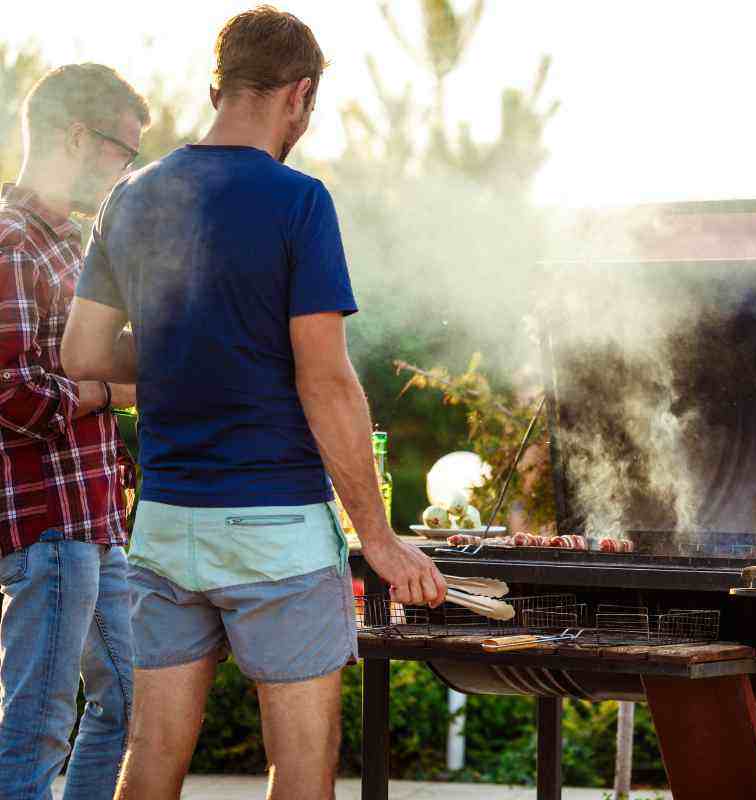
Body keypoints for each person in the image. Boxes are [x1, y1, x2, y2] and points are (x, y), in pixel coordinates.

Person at [61, 7, 447, 799]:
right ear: (299, 96)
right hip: (276, 529)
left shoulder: (131, 198)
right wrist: (377, 538)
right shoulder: (297, 201)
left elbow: (85, 355)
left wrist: (179, 354)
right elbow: (327, 380)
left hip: (165, 524)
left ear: (217, 88)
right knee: (301, 763)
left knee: (154, 750)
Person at [0, 64, 146, 800]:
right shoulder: (12, 241)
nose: (130, 173)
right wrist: (104, 390)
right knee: (36, 731)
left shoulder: (73, 245)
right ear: (77, 136)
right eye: (126, 152)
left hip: (94, 522)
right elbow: (10, 393)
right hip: (47, 527)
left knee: (130, 704)